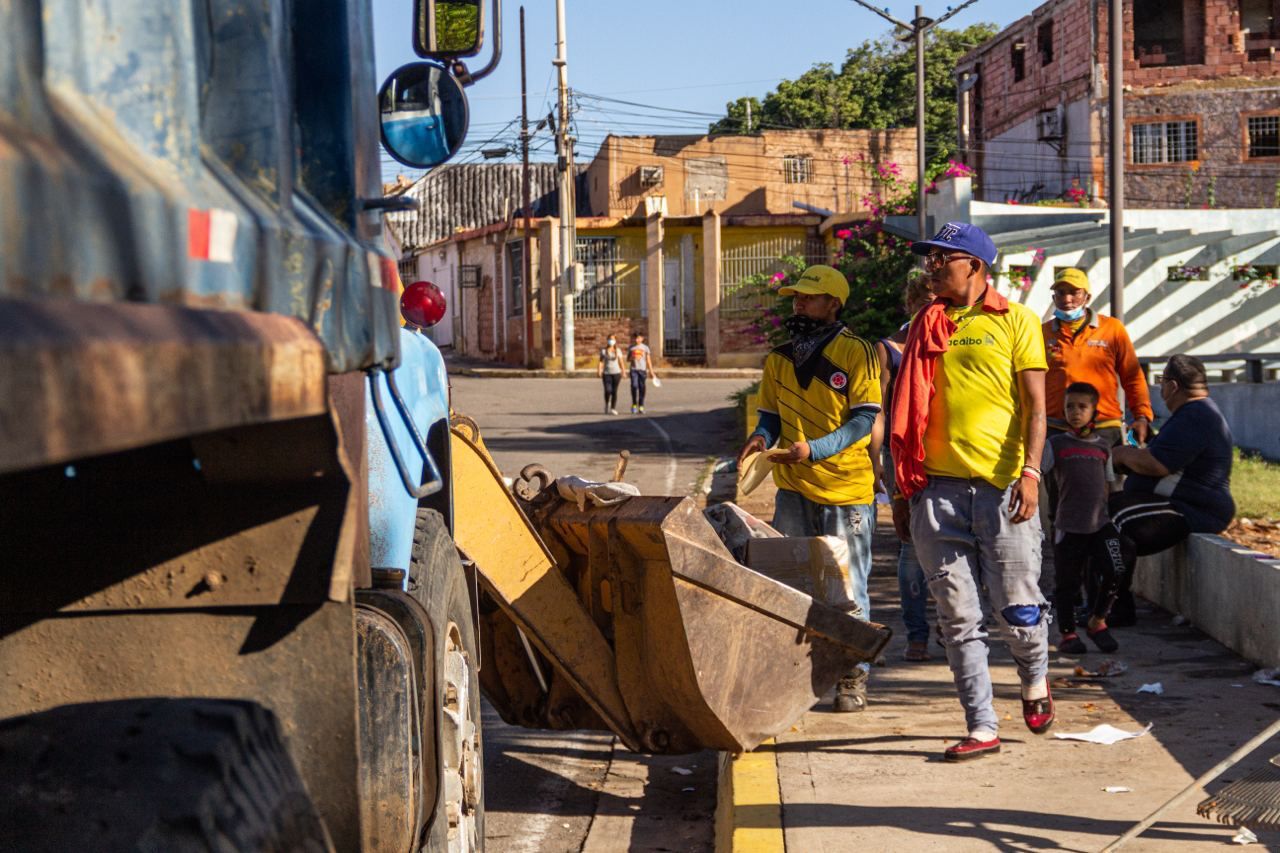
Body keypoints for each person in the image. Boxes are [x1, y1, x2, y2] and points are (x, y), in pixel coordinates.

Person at [890, 221, 1051, 762]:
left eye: (942, 257)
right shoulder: (925, 323)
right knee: (957, 617)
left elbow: (1036, 407)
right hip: (936, 492)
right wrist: (902, 491)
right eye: (930, 257)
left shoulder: (1018, 322)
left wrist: (1031, 473)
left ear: (975, 267)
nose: (931, 266)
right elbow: (904, 407)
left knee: (1018, 612)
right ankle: (982, 725)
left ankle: (1034, 679)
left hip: (1003, 491)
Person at [736, 264, 882, 712]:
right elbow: (771, 417)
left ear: (833, 304)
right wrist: (760, 438)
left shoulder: (858, 352)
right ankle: (797, 674)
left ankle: (853, 677)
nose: (798, 303)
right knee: (792, 585)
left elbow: (864, 418)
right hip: (793, 488)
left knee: (848, 589)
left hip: (846, 489)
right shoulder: (779, 357)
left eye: (808, 297)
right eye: (796, 297)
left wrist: (814, 450)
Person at [1110, 355, 1235, 558]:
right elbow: (1170, 453)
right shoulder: (1193, 412)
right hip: (1180, 505)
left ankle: (1114, 590)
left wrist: (1122, 454)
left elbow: (1157, 464)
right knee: (1100, 512)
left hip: (1193, 510)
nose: (1160, 388)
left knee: (1112, 524)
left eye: (1162, 381)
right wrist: (1143, 441)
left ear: (1173, 386)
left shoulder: (1196, 414)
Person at [1042, 382, 1134, 655]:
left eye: (1082, 407)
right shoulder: (1056, 444)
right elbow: (1039, 470)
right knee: (1067, 584)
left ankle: (1098, 620)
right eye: (1070, 406)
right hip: (1068, 525)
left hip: (1099, 525)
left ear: (1095, 411)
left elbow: (1108, 484)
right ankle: (1068, 633)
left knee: (1117, 567)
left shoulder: (1103, 448)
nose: (1075, 412)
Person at [870, 274, 934, 661]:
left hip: (946, 453)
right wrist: (875, 458)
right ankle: (917, 633)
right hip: (902, 454)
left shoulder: (949, 339)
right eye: (924, 299)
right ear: (910, 303)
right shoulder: (890, 347)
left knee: (956, 540)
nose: (931, 306)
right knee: (910, 542)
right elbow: (877, 407)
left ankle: (950, 625)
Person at [1043, 268, 1153, 446]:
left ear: (1087, 297)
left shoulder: (1112, 329)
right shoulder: (1043, 333)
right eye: (1060, 293)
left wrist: (1142, 416)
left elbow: (1132, 376)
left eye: (1074, 293)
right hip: (1056, 427)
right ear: (1054, 298)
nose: (1066, 299)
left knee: (1106, 474)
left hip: (1104, 425)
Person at [627, 332, 658, 414]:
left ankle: (641, 405)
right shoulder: (631, 347)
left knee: (642, 388)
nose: (637, 340)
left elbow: (648, 360)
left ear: (642, 338)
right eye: (636, 338)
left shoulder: (645, 348)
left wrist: (651, 372)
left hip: (642, 370)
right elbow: (628, 359)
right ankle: (634, 404)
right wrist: (632, 357)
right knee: (634, 386)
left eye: (639, 338)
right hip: (634, 370)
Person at [597, 335, 623, 415]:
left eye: (613, 339)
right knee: (608, 390)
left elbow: (621, 361)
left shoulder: (618, 350)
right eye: (610, 339)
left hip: (616, 373)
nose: (611, 341)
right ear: (607, 340)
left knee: (614, 391)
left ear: (615, 340)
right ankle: (607, 403)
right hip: (607, 373)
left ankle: (613, 408)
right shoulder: (604, 351)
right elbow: (601, 361)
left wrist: (623, 371)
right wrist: (599, 370)